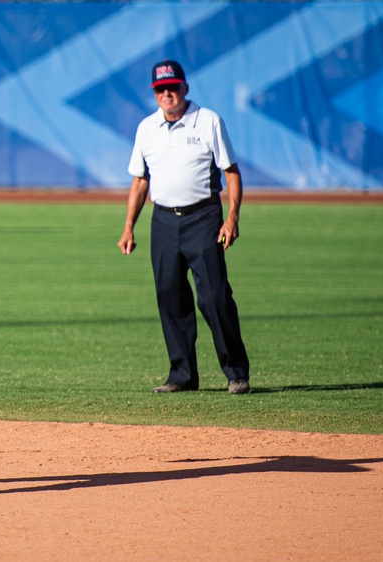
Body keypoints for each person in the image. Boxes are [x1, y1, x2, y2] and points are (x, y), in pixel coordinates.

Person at [117, 59, 251, 395]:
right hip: (162, 220)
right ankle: (183, 374)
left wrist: (232, 217)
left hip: (203, 217)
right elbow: (139, 180)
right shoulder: (147, 128)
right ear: (154, 93)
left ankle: (236, 372)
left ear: (185, 88)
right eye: (160, 89)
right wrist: (128, 226)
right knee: (169, 296)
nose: (167, 94)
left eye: (172, 87)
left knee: (215, 297)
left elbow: (231, 172)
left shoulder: (208, 122)